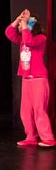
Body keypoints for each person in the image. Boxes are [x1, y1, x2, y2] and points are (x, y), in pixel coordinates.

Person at [6, 10, 55, 147]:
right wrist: (17, 20)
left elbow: (29, 41)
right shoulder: (22, 39)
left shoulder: (40, 38)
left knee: (39, 109)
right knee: (26, 110)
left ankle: (48, 137)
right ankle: (31, 136)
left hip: (39, 79)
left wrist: (25, 24)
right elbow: (9, 33)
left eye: (23, 24)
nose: (20, 27)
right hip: (27, 79)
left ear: (31, 25)